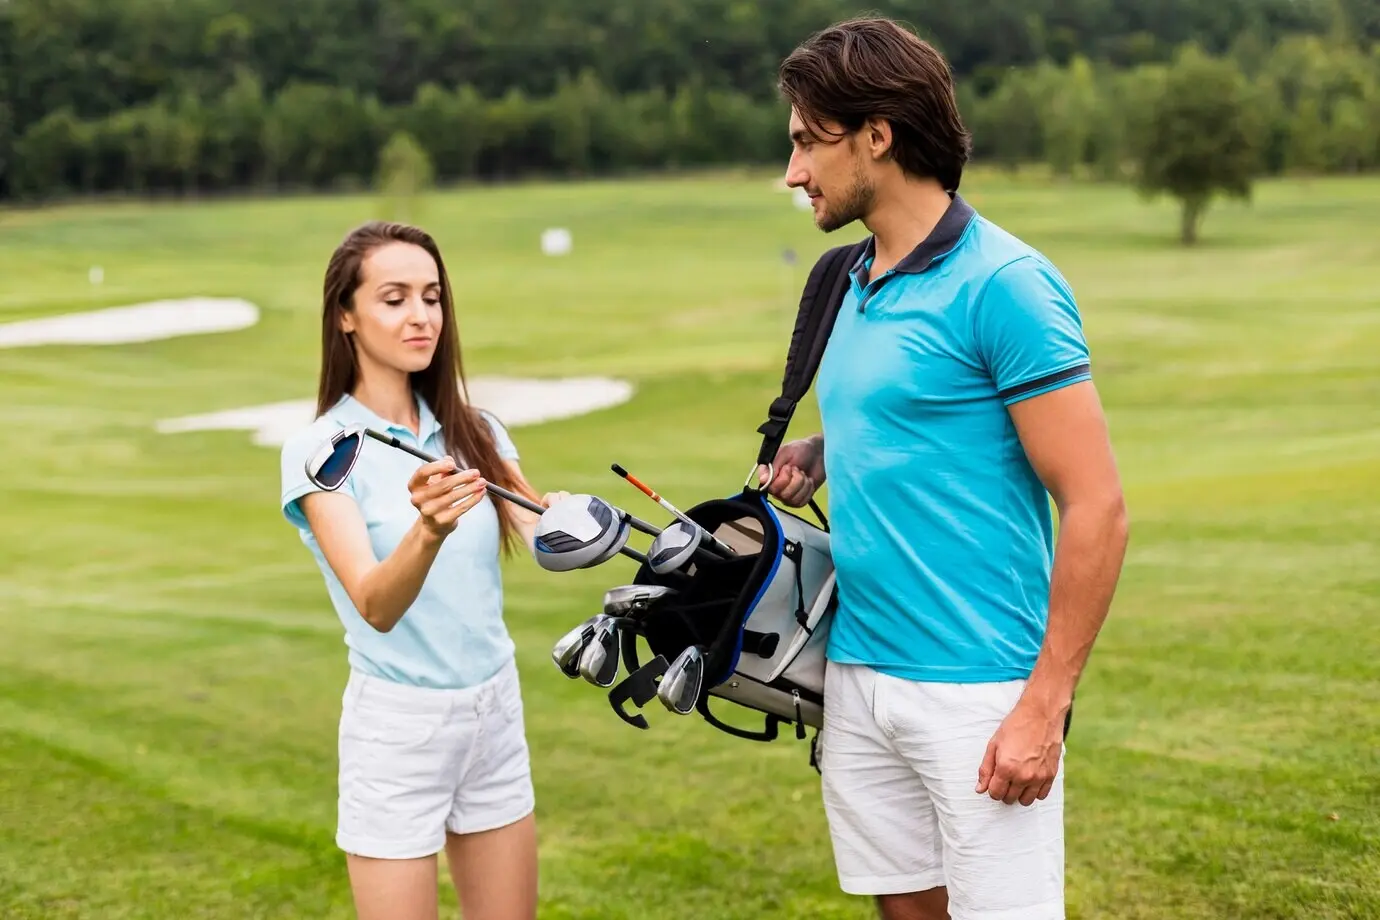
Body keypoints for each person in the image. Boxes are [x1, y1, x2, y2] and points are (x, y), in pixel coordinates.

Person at [763, 17, 1130, 920]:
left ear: (878, 137)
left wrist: (1043, 708)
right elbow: (916, 416)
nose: (793, 170)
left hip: (979, 689)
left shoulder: (1005, 284)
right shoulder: (846, 280)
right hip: (855, 675)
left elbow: (1097, 507)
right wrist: (822, 451)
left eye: (810, 141)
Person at [278, 220, 568, 920]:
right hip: (397, 729)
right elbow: (375, 603)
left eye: (432, 297)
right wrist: (430, 529)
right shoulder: (322, 449)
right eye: (395, 298)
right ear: (345, 315)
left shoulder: (477, 431)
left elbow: (542, 536)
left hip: (494, 710)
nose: (421, 316)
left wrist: (567, 519)